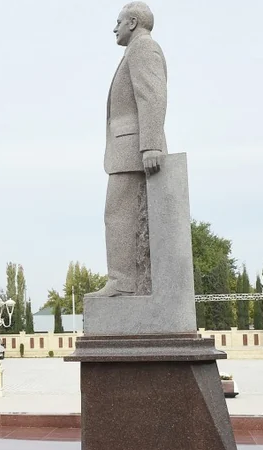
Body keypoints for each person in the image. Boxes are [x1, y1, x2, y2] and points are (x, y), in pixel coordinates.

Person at [87, 1, 168, 298]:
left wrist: (150, 146)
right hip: (128, 149)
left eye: (118, 21)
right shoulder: (134, 52)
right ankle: (125, 280)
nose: (114, 27)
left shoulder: (144, 49)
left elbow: (152, 96)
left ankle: (122, 282)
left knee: (117, 213)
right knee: (119, 214)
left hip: (133, 150)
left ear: (132, 22)